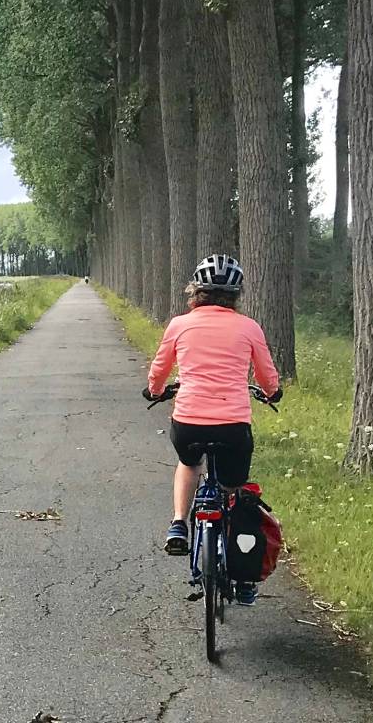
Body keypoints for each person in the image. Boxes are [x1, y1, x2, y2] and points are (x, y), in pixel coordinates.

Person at [142, 254, 281, 605]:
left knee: (189, 465)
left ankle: (178, 523)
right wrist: (272, 392)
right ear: (236, 295)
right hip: (234, 425)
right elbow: (266, 375)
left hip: (188, 422)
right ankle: (241, 570)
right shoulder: (249, 327)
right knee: (234, 492)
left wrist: (155, 391)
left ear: (195, 292)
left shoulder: (179, 324)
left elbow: (159, 370)